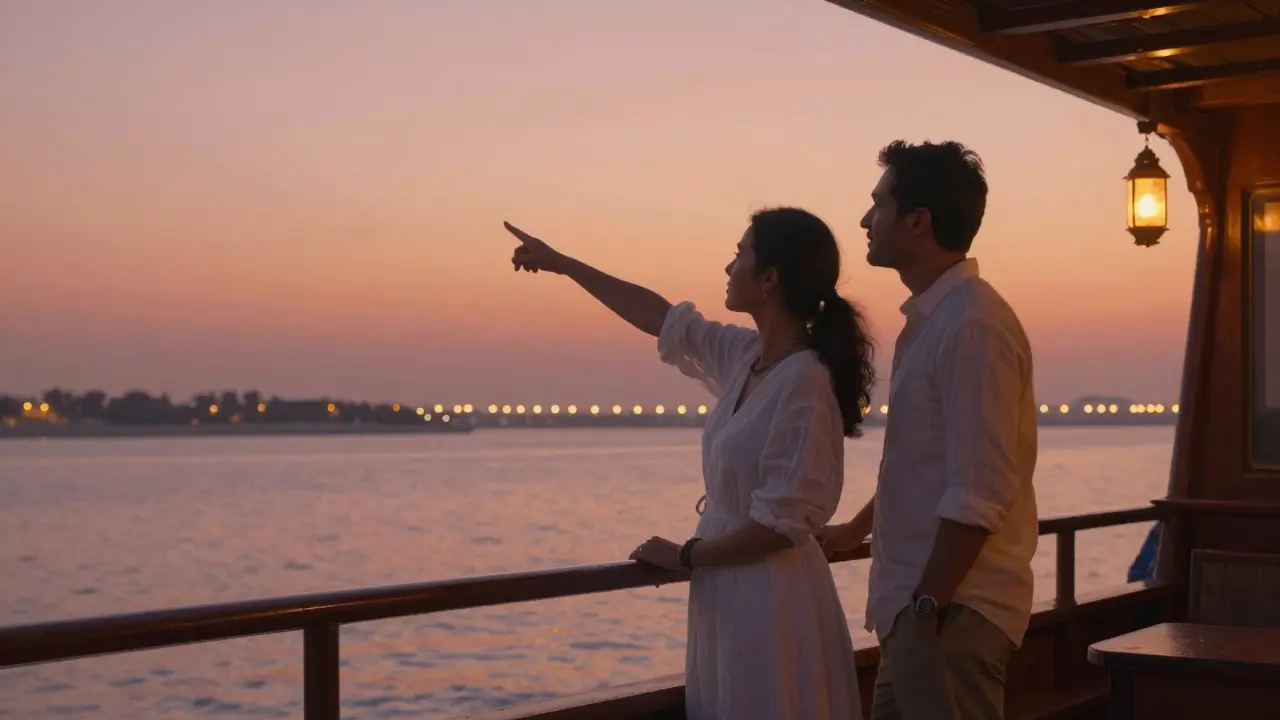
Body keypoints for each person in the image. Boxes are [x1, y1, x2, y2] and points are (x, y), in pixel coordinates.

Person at [505, 207, 875, 720]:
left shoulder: (805, 381)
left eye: (740, 254)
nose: (728, 266)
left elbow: (781, 525)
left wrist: (685, 554)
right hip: (727, 585)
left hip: (770, 594)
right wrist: (564, 264)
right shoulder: (748, 357)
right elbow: (661, 317)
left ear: (769, 279)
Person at [818, 140, 1039, 720]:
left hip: (950, 611)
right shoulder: (938, 319)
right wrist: (855, 531)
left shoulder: (971, 325)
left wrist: (927, 607)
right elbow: (929, 463)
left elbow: (980, 491)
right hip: (922, 607)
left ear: (917, 221)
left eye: (878, 204)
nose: (865, 220)